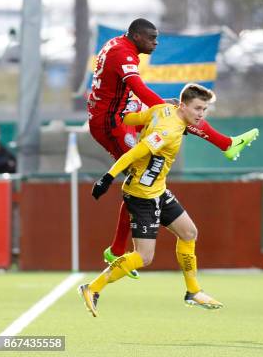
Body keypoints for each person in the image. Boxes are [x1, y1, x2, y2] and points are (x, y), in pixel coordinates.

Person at [87, 18, 258, 279]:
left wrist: (165, 110)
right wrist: (166, 112)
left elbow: (132, 91)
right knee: (142, 175)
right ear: (135, 36)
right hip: (111, 122)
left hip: (122, 110)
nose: (156, 42)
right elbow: (138, 87)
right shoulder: (123, 52)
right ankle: (117, 250)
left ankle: (227, 143)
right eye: (151, 38)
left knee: (181, 114)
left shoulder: (121, 46)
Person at [79, 83, 233, 316]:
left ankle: (193, 292)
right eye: (198, 108)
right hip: (141, 195)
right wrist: (108, 177)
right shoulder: (169, 131)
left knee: (189, 233)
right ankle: (92, 288)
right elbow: (136, 152)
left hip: (157, 191)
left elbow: (135, 118)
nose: (201, 114)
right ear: (183, 106)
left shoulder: (163, 109)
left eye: (204, 109)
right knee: (144, 257)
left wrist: (118, 114)